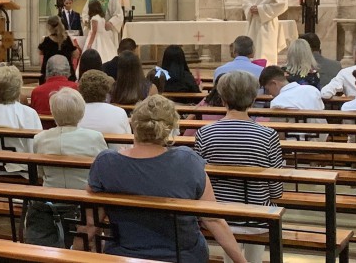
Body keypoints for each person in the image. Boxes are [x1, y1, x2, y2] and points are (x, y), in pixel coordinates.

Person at [88, 95, 246, 263]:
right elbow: (213, 219)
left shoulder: (106, 162)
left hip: (123, 255)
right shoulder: (187, 161)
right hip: (182, 256)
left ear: (133, 123)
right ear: (170, 128)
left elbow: (91, 221)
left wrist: (73, 252)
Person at [195, 72, 284, 263]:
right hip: (259, 218)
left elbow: (200, 181)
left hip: (220, 218)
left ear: (223, 98)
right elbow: (276, 191)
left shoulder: (205, 133)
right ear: (253, 98)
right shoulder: (268, 135)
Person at [26, 88, 107, 248]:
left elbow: (40, 173)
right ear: (81, 112)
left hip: (50, 197)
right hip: (83, 199)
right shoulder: (94, 137)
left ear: (53, 112)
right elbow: (101, 172)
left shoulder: (40, 138)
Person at [259, 66, 326, 133]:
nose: (270, 94)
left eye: (267, 90)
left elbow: (278, 132)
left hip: (296, 141)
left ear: (274, 83)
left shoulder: (277, 102)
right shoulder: (312, 90)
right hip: (322, 135)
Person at [77, 70, 131, 138]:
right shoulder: (119, 112)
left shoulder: (74, 114)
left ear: (80, 89)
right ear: (107, 89)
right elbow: (129, 142)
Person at [37, 15, 77, 83]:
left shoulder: (45, 40)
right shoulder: (68, 39)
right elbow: (75, 55)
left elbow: (41, 58)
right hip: (66, 75)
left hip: (49, 75)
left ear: (49, 26)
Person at [84, 0, 117, 65]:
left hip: (96, 38)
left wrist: (90, 44)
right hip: (104, 37)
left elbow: (94, 32)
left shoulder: (94, 18)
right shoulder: (101, 17)